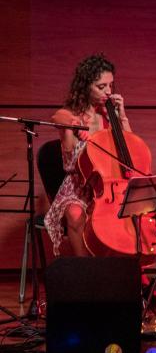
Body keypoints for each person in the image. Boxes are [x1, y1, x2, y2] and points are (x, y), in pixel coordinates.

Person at [44, 54, 131, 256]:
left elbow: (131, 150)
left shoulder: (109, 115)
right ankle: (85, 271)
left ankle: (115, 271)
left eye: (111, 86)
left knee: (125, 215)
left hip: (107, 186)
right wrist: (75, 125)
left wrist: (122, 116)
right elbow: (58, 116)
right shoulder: (72, 114)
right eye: (102, 87)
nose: (108, 92)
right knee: (75, 215)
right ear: (85, 86)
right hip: (77, 186)